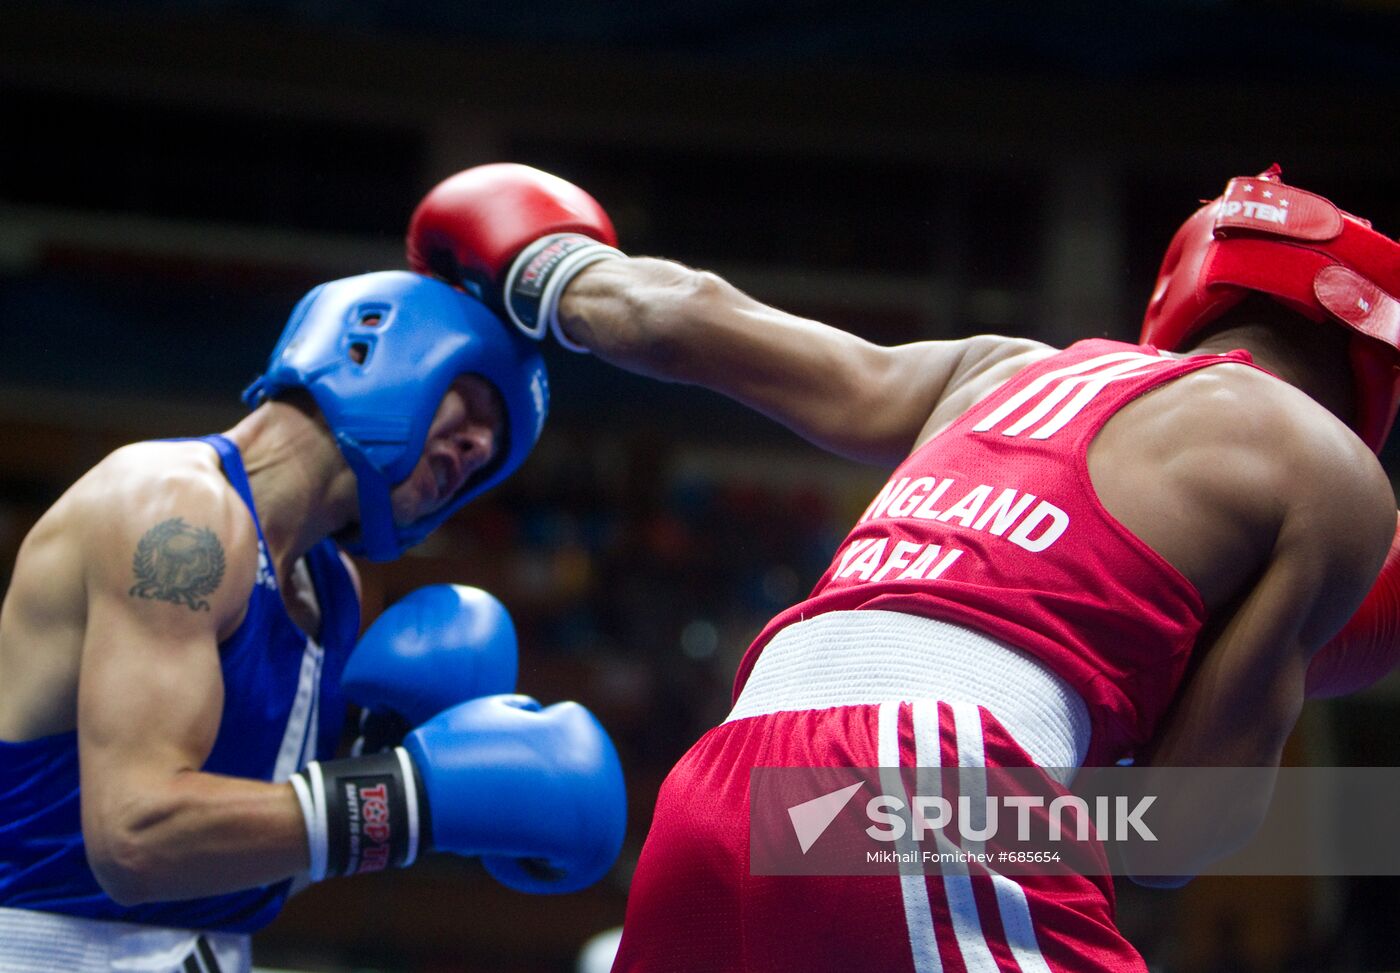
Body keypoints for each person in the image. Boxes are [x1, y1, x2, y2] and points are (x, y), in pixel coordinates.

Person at [406, 164, 1400, 971]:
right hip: (933, 784)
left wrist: (544, 263)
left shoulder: (1000, 368)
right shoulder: (1332, 474)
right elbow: (1175, 837)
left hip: (725, 786)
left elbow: (681, 315)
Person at [0, 269, 626, 972]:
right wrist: (413, 797)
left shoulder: (334, 589)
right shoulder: (175, 508)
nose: (479, 447)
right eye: (475, 403)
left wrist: (381, 767)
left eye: (495, 445)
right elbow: (136, 836)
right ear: (370, 346)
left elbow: (265, 855)